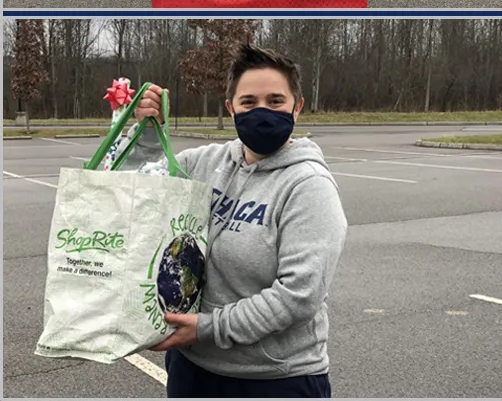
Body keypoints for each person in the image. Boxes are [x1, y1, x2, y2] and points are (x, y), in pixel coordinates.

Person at [129, 44, 347, 398]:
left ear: (298, 107)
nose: (262, 111)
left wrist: (209, 328)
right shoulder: (206, 162)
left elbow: (299, 295)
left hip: (273, 379)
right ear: (231, 108)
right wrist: (147, 135)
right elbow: (140, 190)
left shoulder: (309, 186)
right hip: (192, 368)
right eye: (249, 102)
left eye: (275, 101)